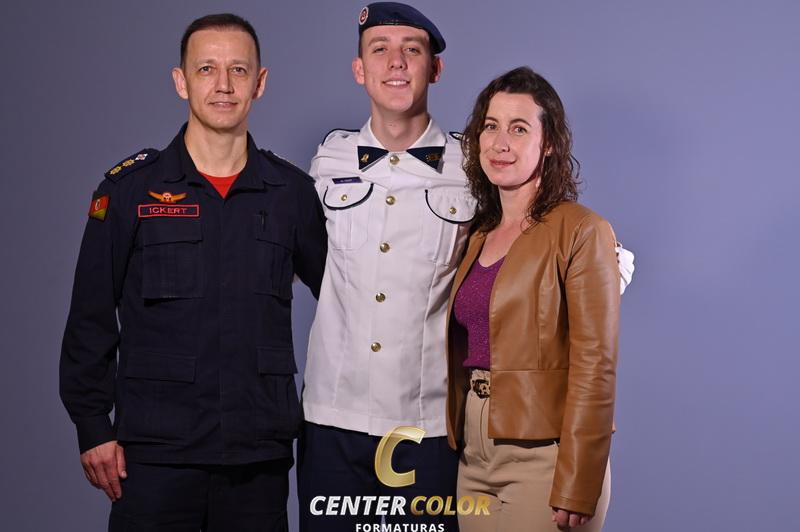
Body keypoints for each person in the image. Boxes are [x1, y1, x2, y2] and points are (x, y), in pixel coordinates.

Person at [298, 4, 633, 532]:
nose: (396, 63)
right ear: (359, 69)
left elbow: (568, 253)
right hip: (332, 416)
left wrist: (593, 280)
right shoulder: (328, 160)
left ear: (435, 69)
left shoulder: (473, 164)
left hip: (431, 424)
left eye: (412, 50)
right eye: (380, 50)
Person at [59, 13, 327, 531]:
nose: (223, 85)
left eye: (238, 70)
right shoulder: (129, 191)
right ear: (181, 81)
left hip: (258, 453)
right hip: (155, 454)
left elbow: (343, 300)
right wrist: (92, 426)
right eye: (206, 69)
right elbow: (90, 316)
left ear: (259, 83)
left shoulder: (291, 194)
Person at [445, 66, 619, 532]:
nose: (500, 142)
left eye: (519, 128)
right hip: (474, 456)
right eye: (491, 126)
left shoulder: (582, 230)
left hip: (546, 457)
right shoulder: (478, 234)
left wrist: (579, 480)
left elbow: (596, 365)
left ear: (549, 144)